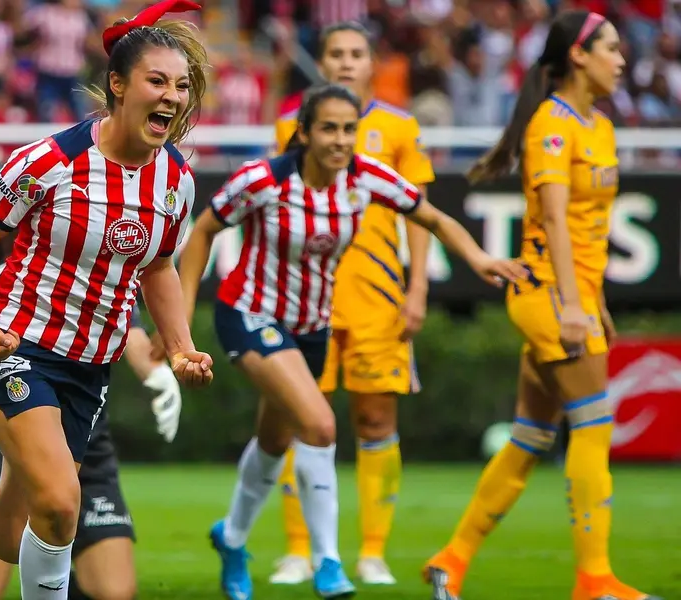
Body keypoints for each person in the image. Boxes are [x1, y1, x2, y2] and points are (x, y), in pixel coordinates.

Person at [176, 84, 527, 600]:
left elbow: (431, 216)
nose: (340, 140)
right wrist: (180, 334)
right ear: (304, 133)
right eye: (329, 128)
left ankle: (231, 539)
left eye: (349, 129)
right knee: (319, 425)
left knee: (275, 441)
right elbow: (202, 232)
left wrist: (480, 260)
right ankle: (329, 563)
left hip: (311, 327)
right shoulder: (263, 180)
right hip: (250, 313)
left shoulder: (365, 178)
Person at [0, 1, 215, 597]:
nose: (172, 97)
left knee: (12, 533)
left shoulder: (177, 176)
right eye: (157, 81)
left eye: (181, 86)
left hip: (90, 368)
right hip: (17, 343)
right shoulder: (51, 160)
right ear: (118, 84)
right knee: (59, 503)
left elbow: (157, 265)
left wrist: (179, 348)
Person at [424, 12, 661, 600]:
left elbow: (589, 228)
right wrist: (575, 306)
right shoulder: (551, 126)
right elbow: (552, 218)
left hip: (572, 294)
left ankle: (450, 561)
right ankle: (595, 581)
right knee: (594, 427)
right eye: (611, 47)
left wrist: (596, 297)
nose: (622, 58)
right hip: (549, 296)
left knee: (531, 436)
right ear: (578, 56)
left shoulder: (600, 125)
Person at [270, 21, 434, 587]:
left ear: (371, 63)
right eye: (335, 53)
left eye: (356, 53)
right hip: (308, 294)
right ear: (323, 61)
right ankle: (299, 549)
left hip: (378, 298)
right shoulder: (292, 125)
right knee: (304, 419)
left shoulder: (399, 127)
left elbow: (419, 212)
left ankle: (372, 550)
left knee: (374, 419)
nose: (345, 62)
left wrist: (417, 289)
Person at [0, 249, 183, 600]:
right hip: (20, 421)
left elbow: (134, 327)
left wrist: (159, 371)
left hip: (86, 431)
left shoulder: (112, 269)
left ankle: (52, 559)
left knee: (113, 591)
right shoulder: (19, 275)